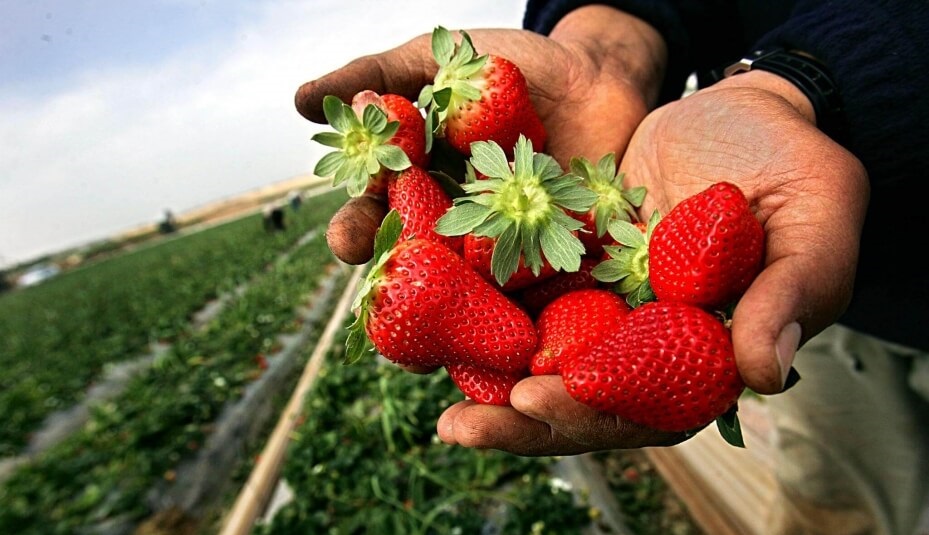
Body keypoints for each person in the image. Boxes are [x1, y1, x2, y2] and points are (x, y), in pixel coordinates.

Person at [294, 2, 929, 533]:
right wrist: (606, 44)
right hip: (827, 310)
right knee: (831, 494)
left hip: (826, 242)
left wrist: (802, 82)